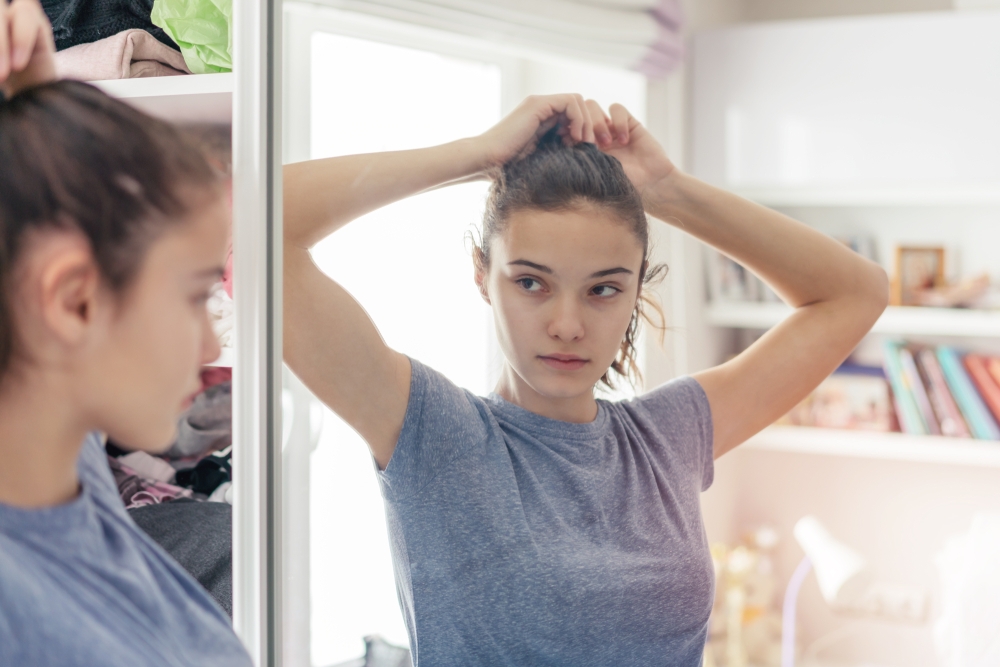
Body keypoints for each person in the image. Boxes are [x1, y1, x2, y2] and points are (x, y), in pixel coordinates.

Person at [283, 91, 888, 664]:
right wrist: (478, 154)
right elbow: (260, 228)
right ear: (481, 274)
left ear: (635, 289)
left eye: (603, 288)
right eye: (531, 283)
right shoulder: (434, 434)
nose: (568, 325)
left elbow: (855, 293)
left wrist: (665, 190)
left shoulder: (667, 438)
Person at [0, 2, 251, 664]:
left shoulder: (56, 459)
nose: (208, 346)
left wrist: (29, 95)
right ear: (75, 302)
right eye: (194, 295)